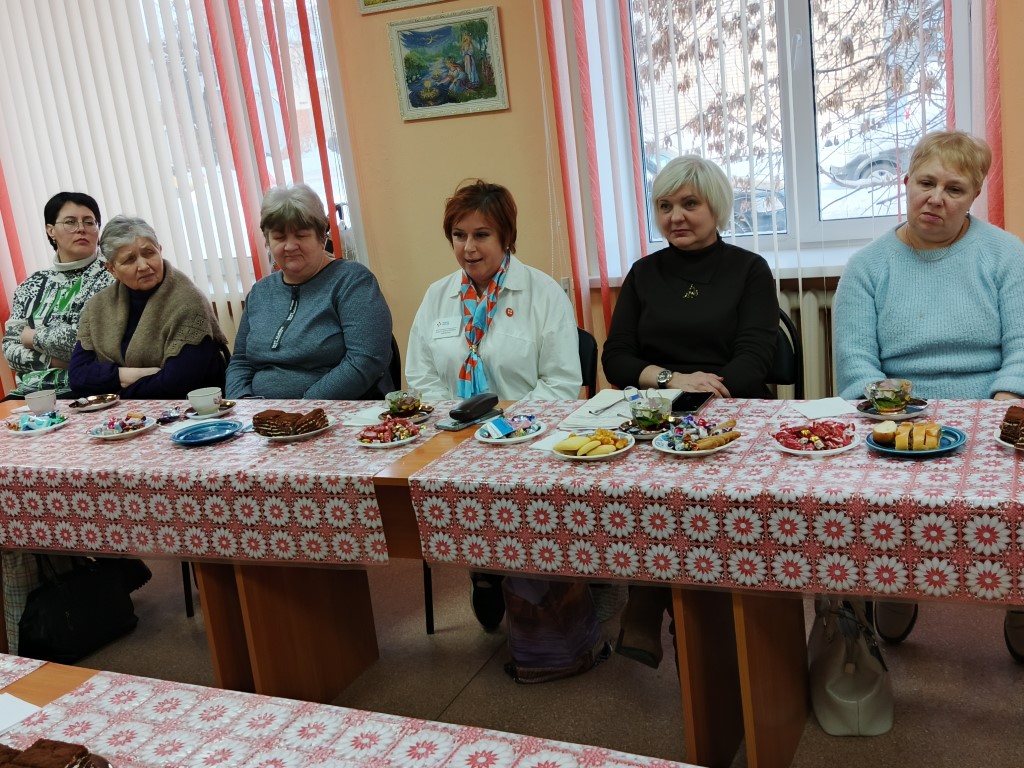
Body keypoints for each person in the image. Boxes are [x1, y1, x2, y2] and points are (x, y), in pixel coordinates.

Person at [833, 130, 1024, 658]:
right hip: (897, 416)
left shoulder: (1007, 255)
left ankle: (1020, 596)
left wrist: (1002, 404)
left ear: (974, 195)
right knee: (876, 496)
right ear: (906, 182)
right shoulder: (868, 266)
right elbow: (856, 366)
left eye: (954, 188)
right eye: (926, 182)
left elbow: (1022, 348)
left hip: (990, 410)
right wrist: (898, 414)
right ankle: (895, 579)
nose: (936, 198)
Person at [602, 155, 779, 667]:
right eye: (664, 206)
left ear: (715, 207)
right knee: (642, 481)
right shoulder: (643, 273)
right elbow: (617, 357)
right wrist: (672, 381)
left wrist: (703, 396)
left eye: (689, 204)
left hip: (733, 408)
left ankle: (659, 602)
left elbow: (755, 357)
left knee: (701, 489)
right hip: (658, 407)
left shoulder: (749, 269)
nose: (675, 216)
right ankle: (673, 607)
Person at [406, 179, 582, 632]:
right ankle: (483, 569)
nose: (468, 247)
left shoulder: (543, 293)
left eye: (481, 234)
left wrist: (505, 424)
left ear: (506, 236)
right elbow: (420, 376)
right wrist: (459, 419)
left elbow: (562, 383)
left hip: (529, 438)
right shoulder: (437, 296)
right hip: (454, 435)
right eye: (459, 235)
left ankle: (533, 579)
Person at [226, 184, 393, 400]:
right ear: (268, 242)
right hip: (262, 414)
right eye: (279, 237)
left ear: (321, 237)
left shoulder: (352, 281)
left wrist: (304, 407)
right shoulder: (259, 293)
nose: (290, 246)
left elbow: (365, 360)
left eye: (301, 235)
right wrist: (244, 403)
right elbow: (240, 362)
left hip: (332, 411)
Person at [68, 216, 229, 399]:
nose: (143, 266)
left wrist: (112, 394)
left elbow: (175, 383)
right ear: (112, 269)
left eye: (149, 253)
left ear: (160, 250)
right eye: (129, 260)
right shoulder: (97, 306)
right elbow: (78, 376)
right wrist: (130, 375)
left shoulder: (188, 301)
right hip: (122, 411)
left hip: (185, 408)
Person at [2, 192, 113, 400]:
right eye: (70, 222)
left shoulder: (112, 277)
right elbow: (10, 349)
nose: (81, 228)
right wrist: (54, 361)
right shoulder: (32, 285)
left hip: (86, 391)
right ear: (51, 230)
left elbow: (93, 345)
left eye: (89, 222)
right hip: (28, 395)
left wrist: (31, 337)